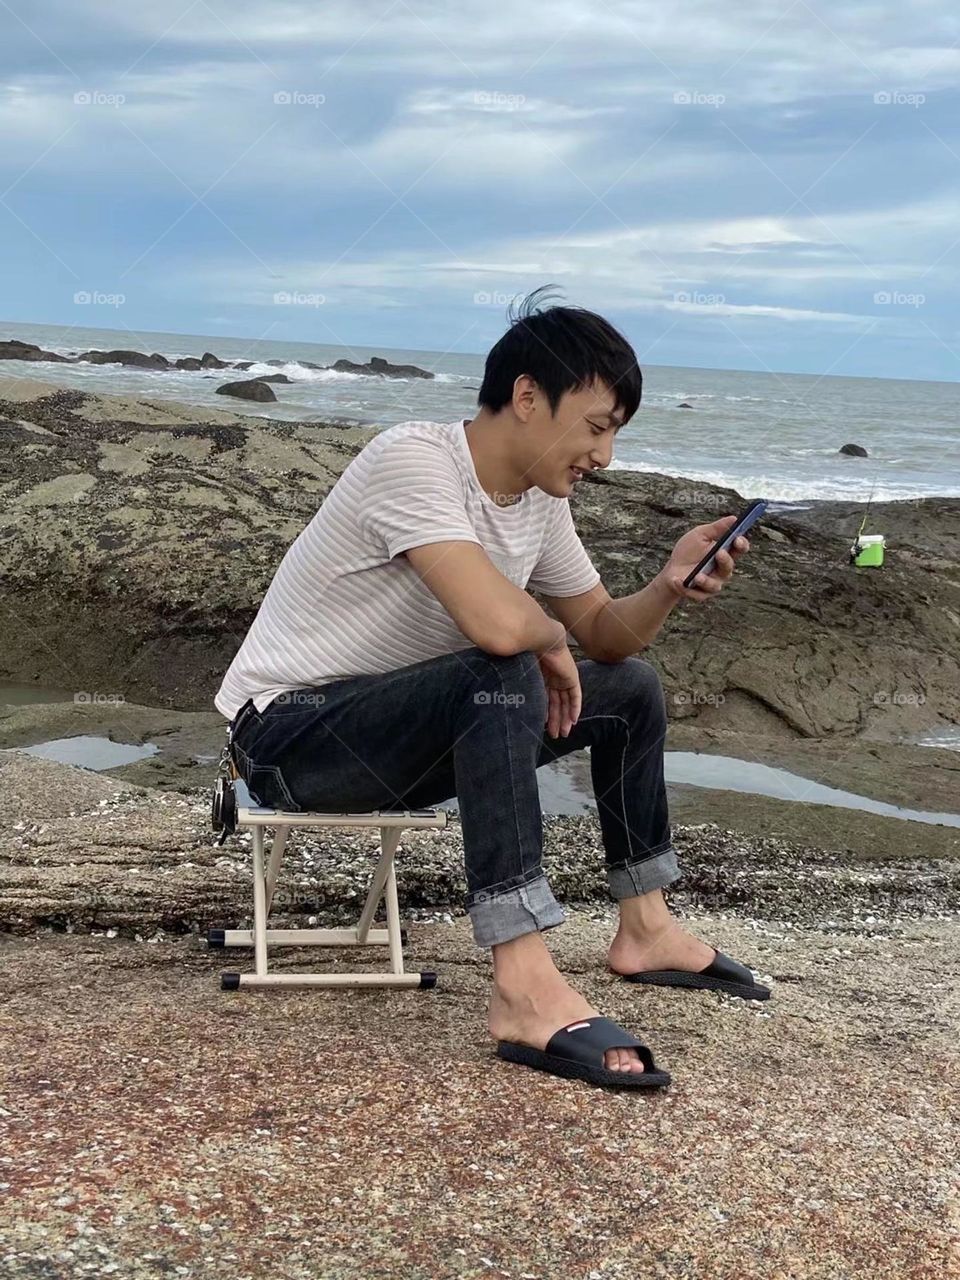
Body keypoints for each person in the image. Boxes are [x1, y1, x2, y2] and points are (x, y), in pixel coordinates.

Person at [214, 286, 763, 1091]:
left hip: (402, 738)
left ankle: (645, 925)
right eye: (598, 427)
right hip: (289, 739)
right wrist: (544, 639)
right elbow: (496, 626)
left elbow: (607, 635)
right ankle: (522, 982)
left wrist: (670, 583)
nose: (604, 457)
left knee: (631, 688)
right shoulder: (413, 459)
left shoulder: (537, 504)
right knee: (499, 672)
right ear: (529, 397)